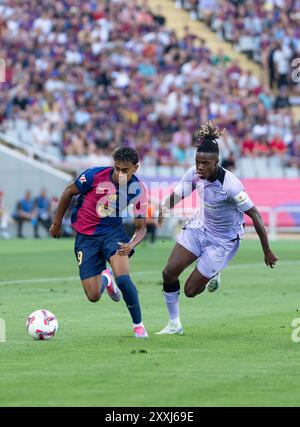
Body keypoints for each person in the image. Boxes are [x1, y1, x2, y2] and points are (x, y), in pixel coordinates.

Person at [156, 121, 278, 335]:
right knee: (169, 273)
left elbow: (255, 215)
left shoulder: (231, 186)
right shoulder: (194, 174)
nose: (200, 167)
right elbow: (179, 193)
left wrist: (266, 250)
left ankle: (214, 273)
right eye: (197, 162)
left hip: (222, 240)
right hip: (199, 228)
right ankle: (174, 324)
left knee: (190, 291)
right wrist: (165, 206)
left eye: (205, 163)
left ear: (216, 162)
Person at [49, 147, 149, 338]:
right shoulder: (95, 175)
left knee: (124, 279)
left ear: (135, 168)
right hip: (86, 237)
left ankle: (139, 326)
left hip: (113, 234)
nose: (119, 173)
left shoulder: (137, 190)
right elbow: (69, 191)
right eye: (117, 168)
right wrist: (56, 223)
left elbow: (141, 228)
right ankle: (106, 278)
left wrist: (131, 244)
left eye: (125, 170)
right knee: (93, 296)